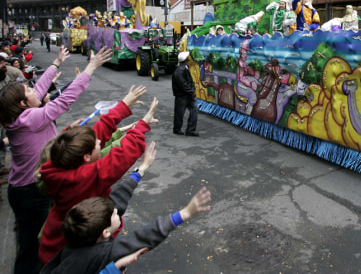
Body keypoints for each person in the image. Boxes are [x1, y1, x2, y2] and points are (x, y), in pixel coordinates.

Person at [0, 45, 112, 274]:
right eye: (28, 92)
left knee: (32, 241)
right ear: (23, 104)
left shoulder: (20, 116)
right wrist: (91, 68)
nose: (34, 91)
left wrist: (55, 64)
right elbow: (63, 102)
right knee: (32, 249)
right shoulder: (30, 119)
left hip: (23, 188)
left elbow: (39, 90)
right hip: (31, 191)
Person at [38, 90, 158, 265]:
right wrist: (142, 125)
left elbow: (95, 133)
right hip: (68, 254)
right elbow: (120, 157)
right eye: (97, 144)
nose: (101, 141)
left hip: (53, 240)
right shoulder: (81, 179)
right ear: (86, 156)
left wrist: (122, 106)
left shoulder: (60, 166)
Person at [39, 186, 211, 274]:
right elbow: (142, 237)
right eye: (113, 214)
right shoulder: (103, 253)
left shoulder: (75, 242)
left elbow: (116, 201)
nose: (116, 211)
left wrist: (140, 171)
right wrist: (184, 213)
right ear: (105, 232)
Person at [172, 51, 198, 136]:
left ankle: (190, 130)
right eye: (187, 57)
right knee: (180, 113)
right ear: (185, 59)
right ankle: (178, 129)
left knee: (192, 110)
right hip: (182, 95)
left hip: (187, 94)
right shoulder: (180, 70)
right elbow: (183, 84)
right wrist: (191, 92)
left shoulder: (184, 68)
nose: (189, 57)